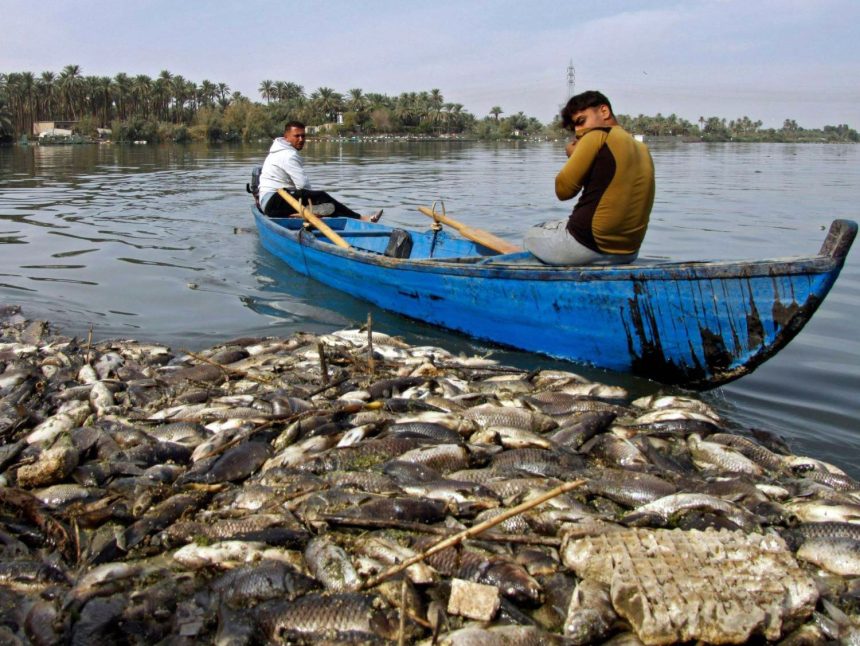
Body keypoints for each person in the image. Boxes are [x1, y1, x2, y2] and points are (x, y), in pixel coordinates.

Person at [524, 91, 654, 265]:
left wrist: (573, 155)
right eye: (574, 127)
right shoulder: (642, 149)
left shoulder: (596, 135)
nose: (578, 131)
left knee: (531, 235)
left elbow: (563, 190)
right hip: (628, 252)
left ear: (604, 111)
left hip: (584, 246)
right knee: (559, 223)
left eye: (581, 121)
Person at [258, 121, 382, 221]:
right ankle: (361, 218)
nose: (301, 139)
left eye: (303, 135)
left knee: (322, 203)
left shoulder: (277, 149)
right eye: (297, 136)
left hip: (267, 201)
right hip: (272, 203)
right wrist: (315, 199)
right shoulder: (288, 155)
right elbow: (303, 186)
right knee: (321, 197)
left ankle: (311, 212)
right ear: (286, 138)